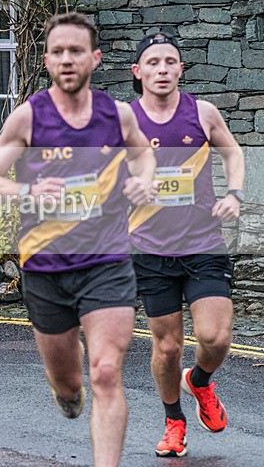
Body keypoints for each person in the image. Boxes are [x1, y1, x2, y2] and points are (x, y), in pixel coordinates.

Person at [0, 12, 157, 467]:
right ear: (46, 60)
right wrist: (29, 190)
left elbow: (143, 155)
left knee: (104, 371)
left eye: (76, 50)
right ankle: (64, 390)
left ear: (94, 58)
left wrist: (144, 181)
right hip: (44, 267)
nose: (67, 59)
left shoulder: (116, 115)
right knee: (71, 383)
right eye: (58, 52)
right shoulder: (28, 118)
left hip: (107, 261)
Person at [129, 32, 245, 457]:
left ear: (181, 69)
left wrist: (233, 194)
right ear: (138, 72)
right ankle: (174, 421)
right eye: (153, 62)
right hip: (149, 249)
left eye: (170, 61)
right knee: (168, 346)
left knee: (215, 338)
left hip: (202, 243)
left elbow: (233, 152)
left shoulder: (204, 112)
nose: (162, 69)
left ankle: (198, 381)